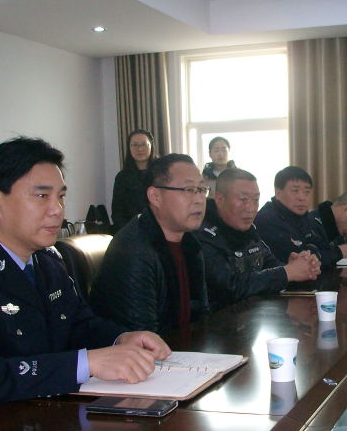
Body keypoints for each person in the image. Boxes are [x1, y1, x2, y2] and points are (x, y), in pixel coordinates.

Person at [0, 137, 170, 431]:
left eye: (61, 196)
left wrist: (120, 338)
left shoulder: (47, 261)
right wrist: (87, 363)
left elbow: (78, 324)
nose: (57, 210)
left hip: (43, 425)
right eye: (42, 196)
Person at [91, 154, 210, 335]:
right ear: (155, 196)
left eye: (202, 189)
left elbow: (202, 317)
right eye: (189, 189)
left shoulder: (190, 243)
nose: (199, 199)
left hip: (184, 348)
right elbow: (143, 337)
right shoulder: (133, 251)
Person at [197, 168, 321, 311]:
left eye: (256, 200)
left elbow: (269, 265)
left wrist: (298, 267)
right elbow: (229, 287)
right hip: (216, 322)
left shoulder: (249, 230)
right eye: (243, 199)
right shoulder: (204, 234)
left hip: (251, 317)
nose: (251, 208)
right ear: (219, 199)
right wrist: (287, 272)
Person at [254, 166, 347, 267]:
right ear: (278, 193)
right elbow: (300, 260)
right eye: (295, 191)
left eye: (307, 192)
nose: (302, 197)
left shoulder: (301, 217)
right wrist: (337, 252)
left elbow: (320, 246)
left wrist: (318, 252)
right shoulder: (268, 220)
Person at [111, 128, 156, 231]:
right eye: (135, 145)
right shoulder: (122, 177)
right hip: (131, 231)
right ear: (129, 148)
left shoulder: (162, 174)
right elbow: (117, 212)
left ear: (151, 146)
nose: (139, 149)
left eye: (144, 144)